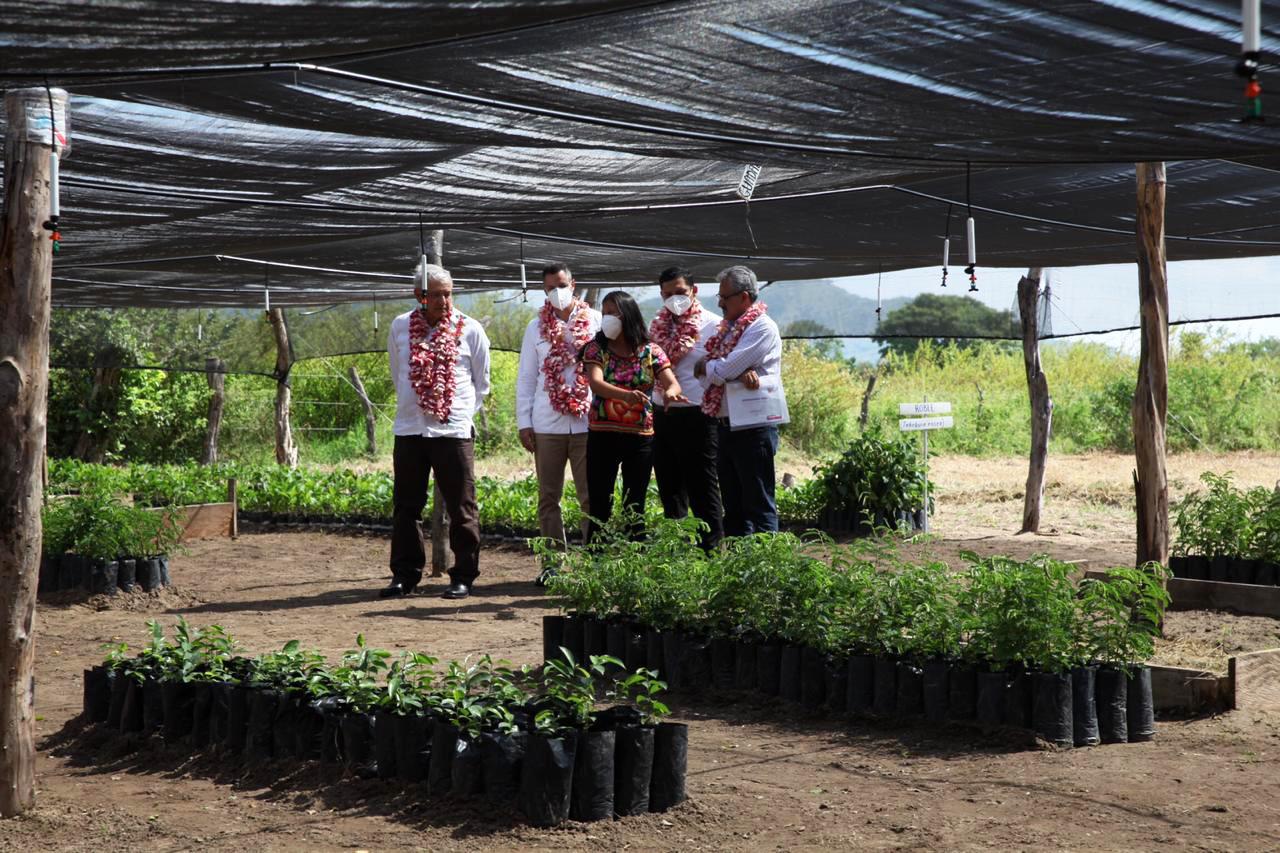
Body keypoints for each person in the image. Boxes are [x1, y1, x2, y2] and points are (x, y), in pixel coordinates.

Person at [382, 259, 491, 601]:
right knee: (406, 506)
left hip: (453, 431)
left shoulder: (470, 328)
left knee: (462, 507)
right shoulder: (400, 327)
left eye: (449, 294)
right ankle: (405, 575)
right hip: (410, 429)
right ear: (419, 295)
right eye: (437, 296)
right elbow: (396, 372)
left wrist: (457, 414)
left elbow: (481, 382)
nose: (444, 302)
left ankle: (463, 576)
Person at [515, 262, 600, 581]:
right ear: (544, 291)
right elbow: (526, 378)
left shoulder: (595, 322)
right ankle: (552, 566)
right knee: (548, 497)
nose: (557, 292)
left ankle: (594, 564)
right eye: (550, 287)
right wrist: (524, 422)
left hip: (586, 423)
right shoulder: (534, 328)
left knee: (590, 496)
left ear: (574, 284)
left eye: (562, 285)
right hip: (546, 424)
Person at [580, 290, 687, 542]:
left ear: (627, 315)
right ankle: (597, 561)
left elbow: (672, 383)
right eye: (604, 313)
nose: (606, 318)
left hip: (640, 438)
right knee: (599, 502)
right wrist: (626, 396)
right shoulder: (596, 349)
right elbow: (595, 383)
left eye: (612, 313)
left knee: (635, 503)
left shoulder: (651, 351)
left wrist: (672, 393)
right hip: (602, 436)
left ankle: (634, 560)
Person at [694, 265, 783, 536]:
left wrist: (710, 367)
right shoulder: (727, 331)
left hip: (753, 427)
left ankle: (768, 567)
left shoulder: (762, 327)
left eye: (725, 297)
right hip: (724, 425)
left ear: (744, 297)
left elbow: (721, 371)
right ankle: (738, 569)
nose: (720, 303)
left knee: (758, 502)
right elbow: (710, 374)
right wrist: (716, 369)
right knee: (733, 506)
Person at [648, 266, 724, 550]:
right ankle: (677, 553)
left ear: (694, 291)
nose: (674, 299)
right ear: (661, 295)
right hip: (663, 413)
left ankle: (712, 551)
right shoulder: (654, 327)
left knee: (702, 487)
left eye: (680, 293)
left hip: (700, 415)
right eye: (667, 294)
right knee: (669, 488)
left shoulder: (714, 325)